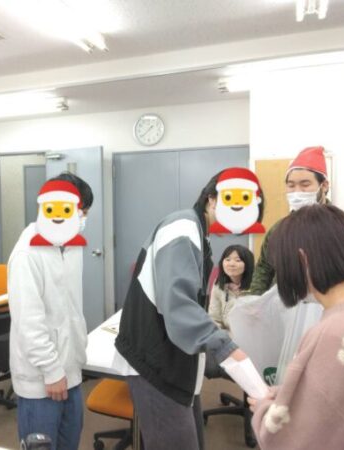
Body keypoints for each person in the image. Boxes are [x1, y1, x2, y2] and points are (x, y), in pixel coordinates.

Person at [115, 171, 251, 450]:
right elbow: (178, 305)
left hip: (175, 356)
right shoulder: (183, 228)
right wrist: (224, 347)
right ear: (211, 199)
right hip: (155, 360)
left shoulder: (200, 234)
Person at [247, 204, 344, 449]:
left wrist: (264, 409)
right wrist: (294, 395)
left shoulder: (332, 335)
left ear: (303, 259)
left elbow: (292, 441)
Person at [8, 172, 93, 450]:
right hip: (41, 380)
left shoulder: (71, 245)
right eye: (81, 211)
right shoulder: (27, 253)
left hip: (71, 371)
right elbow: (29, 322)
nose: (83, 218)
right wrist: (52, 370)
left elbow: (70, 310)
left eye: (84, 212)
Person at [249, 146, 344, 295]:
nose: (297, 191)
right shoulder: (279, 229)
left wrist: (332, 277)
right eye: (291, 185)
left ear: (324, 186)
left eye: (305, 184)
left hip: (334, 305)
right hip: (285, 306)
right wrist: (255, 300)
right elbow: (264, 268)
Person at [208, 244, 254, 331]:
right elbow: (214, 319)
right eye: (227, 259)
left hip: (251, 334)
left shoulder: (257, 285)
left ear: (248, 264)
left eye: (238, 260)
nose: (231, 264)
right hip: (227, 335)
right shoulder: (218, 285)